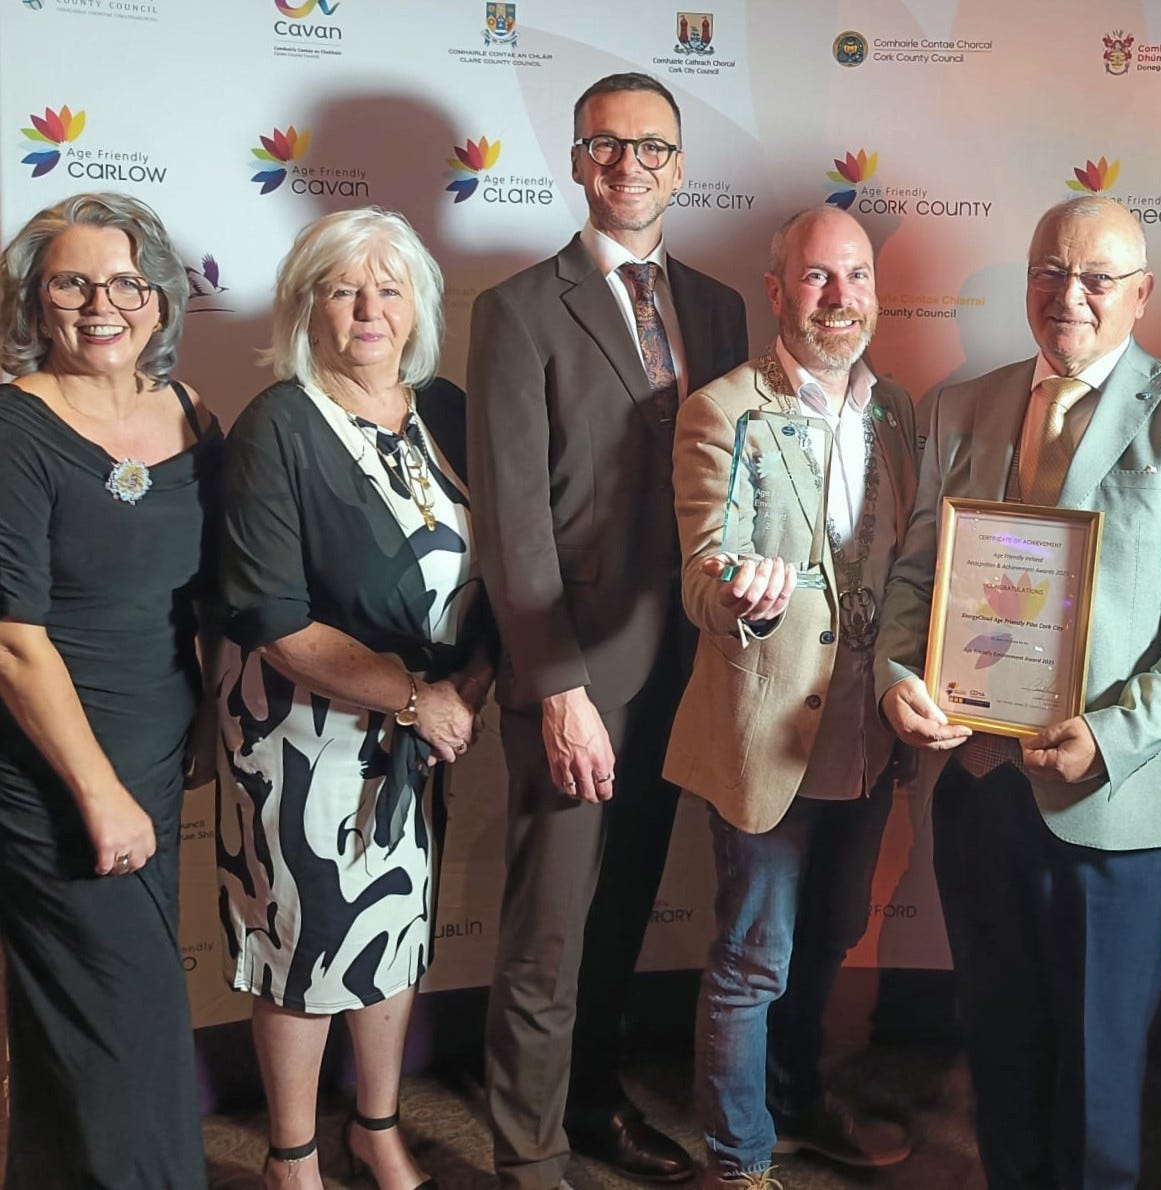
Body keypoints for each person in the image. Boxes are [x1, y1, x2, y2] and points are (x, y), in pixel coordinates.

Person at [876, 196, 1161, 1189]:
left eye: (1095, 278)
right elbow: (914, 579)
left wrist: (1113, 734)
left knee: (1096, 1080)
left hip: (1108, 805)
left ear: (1140, 294)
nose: (1067, 296)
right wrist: (896, 677)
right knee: (996, 1054)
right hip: (975, 790)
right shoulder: (960, 405)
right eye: (1048, 271)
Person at [468, 70, 748, 1190]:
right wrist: (555, 689)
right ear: (577, 162)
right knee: (547, 928)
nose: (627, 164)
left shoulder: (722, 309)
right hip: (577, 675)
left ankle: (589, 1107)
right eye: (603, 146)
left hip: (686, 665)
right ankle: (527, 1153)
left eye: (649, 147)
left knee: (626, 906)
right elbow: (512, 517)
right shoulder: (517, 309)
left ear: (679, 167)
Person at [214, 206, 492, 1190]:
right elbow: (276, 620)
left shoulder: (448, 410)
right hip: (301, 735)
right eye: (343, 288)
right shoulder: (278, 426)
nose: (369, 308)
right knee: (303, 947)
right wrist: (418, 699)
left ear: (417, 302)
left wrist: (461, 690)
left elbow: (492, 578)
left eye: (388, 286)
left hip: (418, 736)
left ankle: (376, 1129)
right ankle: (293, 1158)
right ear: (308, 308)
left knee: (393, 930)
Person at [666, 206, 918, 1189]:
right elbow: (699, 570)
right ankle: (737, 1156)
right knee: (753, 955)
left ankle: (798, 1101)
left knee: (827, 938)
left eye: (854, 277)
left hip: (867, 734)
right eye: (816, 278)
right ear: (776, 291)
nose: (838, 299)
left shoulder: (897, 409)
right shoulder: (721, 409)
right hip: (765, 735)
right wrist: (740, 596)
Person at [0, 192, 214, 1186]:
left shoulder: (189, 413)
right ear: (35, 301)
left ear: (161, 300)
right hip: (56, 778)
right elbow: (12, 640)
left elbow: (202, 601)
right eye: (72, 280)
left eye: (127, 280)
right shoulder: (15, 426)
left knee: (82, 1034)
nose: (103, 302)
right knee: (129, 1030)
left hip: (155, 762)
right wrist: (96, 792)